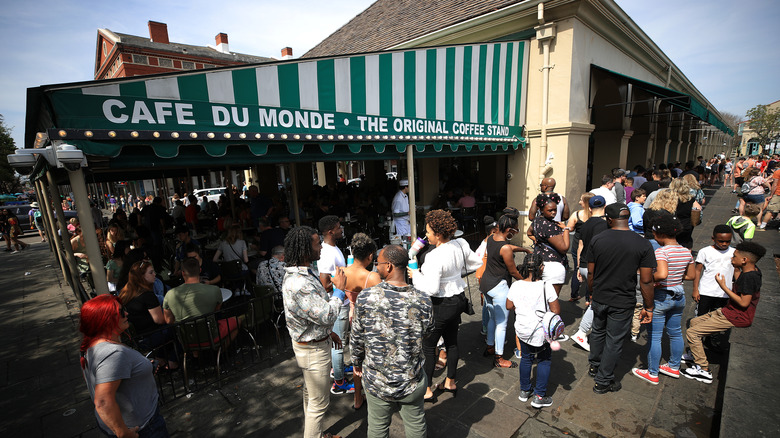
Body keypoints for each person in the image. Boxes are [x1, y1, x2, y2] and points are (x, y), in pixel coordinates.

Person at [350, 244, 432, 437]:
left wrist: (356, 361)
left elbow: (357, 337)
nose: (375, 267)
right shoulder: (423, 299)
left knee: (377, 428)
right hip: (412, 378)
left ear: (389, 267)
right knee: (416, 424)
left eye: (378, 263)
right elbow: (427, 333)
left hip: (378, 381)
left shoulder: (366, 297)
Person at [408, 209, 482, 402]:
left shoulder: (434, 256)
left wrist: (415, 275)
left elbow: (431, 289)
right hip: (458, 299)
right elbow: (475, 263)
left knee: (428, 346)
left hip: (440, 304)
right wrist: (454, 276)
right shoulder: (461, 243)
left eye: (428, 233)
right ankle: (450, 381)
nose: (426, 236)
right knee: (452, 342)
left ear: (438, 234)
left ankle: (427, 389)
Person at [282, 226, 346, 438]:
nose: (320, 247)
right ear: (304, 250)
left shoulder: (303, 273)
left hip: (313, 343)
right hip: (313, 351)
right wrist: (339, 290)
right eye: (317, 244)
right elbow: (327, 315)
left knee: (310, 395)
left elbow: (312, 313)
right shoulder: (300, 283)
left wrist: (328, 333)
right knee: (319, 405)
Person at [587, 203, 656, 394]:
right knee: (614, 340)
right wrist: (649, 307)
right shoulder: (642, 243)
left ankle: (595, 366)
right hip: (623, 300)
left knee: (598, 332)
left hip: (601, 296)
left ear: (609, 219)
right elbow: (646, 281)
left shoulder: (598, 239)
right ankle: (603, 380)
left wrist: (591, 293)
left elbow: (590, 273)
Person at [79, 295, 169, 437]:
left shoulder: (92, 346)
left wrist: (144, 369)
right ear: (106, 319)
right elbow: (102, 401)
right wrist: (123, 433)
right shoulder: (112, 354)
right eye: (121, 312)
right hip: (143, 428)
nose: (126, 313)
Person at [683, 242, 766, 383]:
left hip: (736, 316)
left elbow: (744, 302)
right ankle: (695, 354)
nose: (731, 259)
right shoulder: (752, 270)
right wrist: (736, 268)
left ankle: (703, 370)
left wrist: (723, 287)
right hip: (729, 310)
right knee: (694, 322)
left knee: (692, 333)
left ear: (744, 260)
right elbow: (739, 279)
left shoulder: (749, 278)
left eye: (734, 256)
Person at [631, 215, 694, 385]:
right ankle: (673, 367)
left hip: (662, 296)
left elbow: (662, 274)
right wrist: (675, 278)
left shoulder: (661, 251)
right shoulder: (685, 251)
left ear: (658, 234)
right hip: (679, 296)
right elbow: (691, 275)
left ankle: (652, 373)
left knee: (655, 336)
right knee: (675, 332)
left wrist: (647, 276)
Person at [506, 252, 560, 408]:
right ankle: (539, 396)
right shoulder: (546, 286)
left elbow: (509, 306)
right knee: (544, 360)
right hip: (541, 332)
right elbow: (556, 310)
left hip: (523, 330)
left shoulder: (516, 285)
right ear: (541, 268)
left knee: (526, 358)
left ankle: (524, 391)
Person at [479, 208, 530, 367]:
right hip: (499, 287)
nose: (515, 233)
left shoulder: (491, 238)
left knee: (492, 319)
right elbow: (513, 271)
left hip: (486, 285)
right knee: (502, 323)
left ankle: (489, 347)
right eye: (515, 231)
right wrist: (526, 282)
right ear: (509, 229)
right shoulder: (505, 247)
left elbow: (506, 248)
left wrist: (523, 249)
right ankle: (499, 358)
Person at [341, 233, 381, 410]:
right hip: (369, 321)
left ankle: (357, 397)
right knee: (374, 357)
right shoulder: (371, 277)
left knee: (356, 358)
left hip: (352, 316)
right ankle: (376, 395)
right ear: (370, 255)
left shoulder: (342, 271)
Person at [118, 261, 178, 371]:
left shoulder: (125, 294)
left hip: (137, 338)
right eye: (151, 272)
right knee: (178, 328)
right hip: (149, 338)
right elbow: (159, 320)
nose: (155, 274)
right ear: (142, 277)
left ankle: (160, 358)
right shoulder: (147, 296)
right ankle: (172, 361)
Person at [163, 258, 240, 343]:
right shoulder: (215, 290)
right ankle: (220, 352)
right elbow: (216, 310)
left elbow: (168, 320)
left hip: (187, 339)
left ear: (183, 273)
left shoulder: (170, 294)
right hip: (211, 335)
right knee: (237, 321)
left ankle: (196, 355)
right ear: (200, 270)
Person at [316, 215, 353, 395]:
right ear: (331, 231)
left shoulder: (332, 248)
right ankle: (339, 382)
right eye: (339, 227)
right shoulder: (327, 253)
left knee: (339, 342)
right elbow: (324, 283)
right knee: (338, 345)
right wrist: (341, 283)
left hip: (341, 301)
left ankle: (338, 369)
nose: (341, 230)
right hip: (337, 303)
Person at [570, 195, 608, 351]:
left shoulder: (585, 225)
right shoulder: (606, 225)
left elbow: (580, 246)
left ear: (590, 208)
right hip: (595, 268)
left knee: (595, 300)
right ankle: (582, 332)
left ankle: (588, 330)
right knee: (597, 302)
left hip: (584, 266)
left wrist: (579, 267)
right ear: (604, 207)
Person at [692, 225, 735, 351]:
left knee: (718, 318)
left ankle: (713, 340)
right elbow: (697, 271)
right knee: (701, 316)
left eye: (728, 241)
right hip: (706, 290)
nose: (724, 244)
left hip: (725, 293)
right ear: (713, 238)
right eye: (721, 241)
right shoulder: (704, 251)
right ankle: (697, 341)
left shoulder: (734, 253)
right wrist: (695, 289)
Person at [527, 193, 570, 297]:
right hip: (553, 266)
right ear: (541, 210)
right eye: (550, 210)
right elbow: (564, 248)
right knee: (551, 299)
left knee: (540, 296)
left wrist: (538, 240)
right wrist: (566, 229)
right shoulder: (550, 226)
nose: (554, 213)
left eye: (555, 210)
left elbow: (529, 233)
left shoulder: (537, 221)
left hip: (539, 262)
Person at [566, 192, 595, 301]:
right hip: (592, 247)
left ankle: (574, 294)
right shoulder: (596, 216)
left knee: (576, 269)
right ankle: (588, 298)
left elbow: (570, 228)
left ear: (586, 202)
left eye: (581, 200)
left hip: (577, 244)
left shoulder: (576, 214)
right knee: (591, 271)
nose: (579, 202)